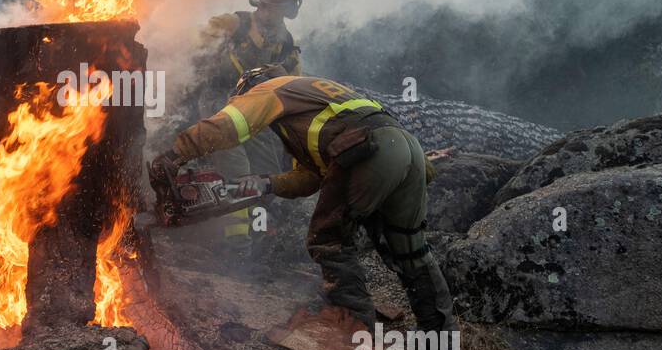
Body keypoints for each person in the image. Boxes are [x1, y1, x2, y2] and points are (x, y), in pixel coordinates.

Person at [152, 66, 456, 334]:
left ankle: (353, 331)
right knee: (411, 251)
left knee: (328, 239)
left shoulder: (272, 88)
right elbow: (311, 177)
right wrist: (267, 183)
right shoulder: (317, 98)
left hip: (365, 150)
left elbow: (230, 125)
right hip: (409, 152)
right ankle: (441, 346)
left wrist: (175, 154)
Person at [191, 0, 304, 250]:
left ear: (288, 6)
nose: (265, 2)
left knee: (266, 167)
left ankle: (260, 229)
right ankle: (237, 240)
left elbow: (296, 87)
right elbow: (194, 44)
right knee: (235, 158)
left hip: (253, 106)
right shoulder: (233, 24)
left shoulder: (288, 47)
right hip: (217, 98)